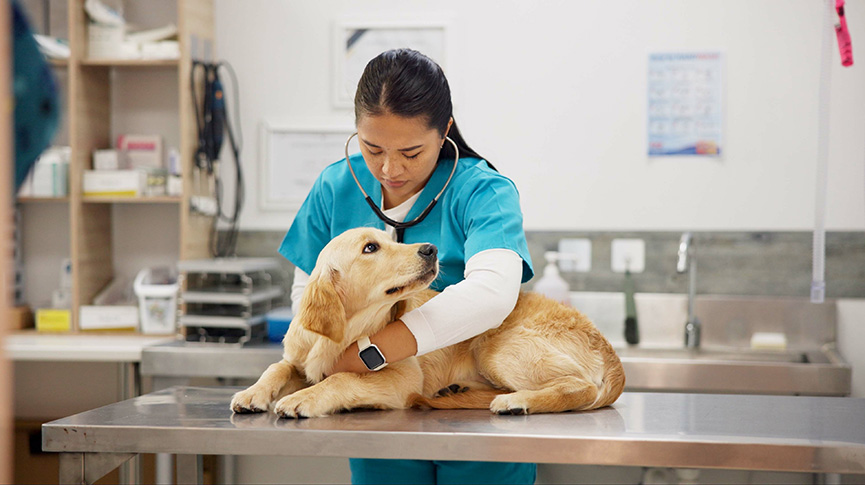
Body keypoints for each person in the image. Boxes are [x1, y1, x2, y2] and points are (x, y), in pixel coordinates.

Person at [279, 48, 536, 485]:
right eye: (371, 146)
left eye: (412, 152)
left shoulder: (482, 192)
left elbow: (493, 294)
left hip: (474, 413)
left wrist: (371, 353)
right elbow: (309, 298)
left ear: (445, 132)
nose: (389, 168)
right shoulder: (334, 186)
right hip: (377, 414)